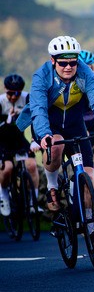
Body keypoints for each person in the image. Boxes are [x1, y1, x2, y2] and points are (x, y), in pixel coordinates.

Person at [15, 36, 94, 249]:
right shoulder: (42, 76)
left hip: (76, 125)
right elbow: (38, 108)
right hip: (51, 125)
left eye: (72, 62)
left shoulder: (84, 72)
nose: (69, 67)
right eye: (63, 63)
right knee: (56, 145)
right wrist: (44, 135)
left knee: (89, 179)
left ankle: (93, 229)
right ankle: (51, 186)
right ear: (53, 60)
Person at [0, 74, 41, 216]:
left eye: (16, 93)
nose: (13, 97)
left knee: (31, 165)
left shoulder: (27, 98)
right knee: (7, 169)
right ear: (5, 90)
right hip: (2, 142)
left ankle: (33, 201)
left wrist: (34, 140)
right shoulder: (1, 101)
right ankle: (4, 196)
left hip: (19, 140)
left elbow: (36, 119)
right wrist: (7, 121)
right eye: (10, 93)